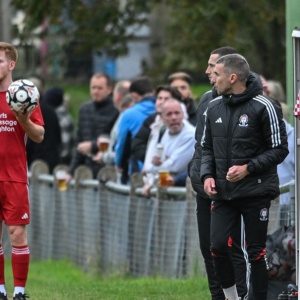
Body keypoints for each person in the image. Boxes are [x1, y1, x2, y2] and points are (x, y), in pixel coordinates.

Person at [200, 54, 288, 300]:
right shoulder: (213, 106)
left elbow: (280, 149)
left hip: (256, 192)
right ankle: (231, 297)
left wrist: (248, 168)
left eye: (216, 74)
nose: (212, 78)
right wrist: (207, 175)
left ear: (232, 77)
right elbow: (206, 148)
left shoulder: (265, 106)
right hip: (224, 193)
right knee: (217, 247)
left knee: (256, 252)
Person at [188, 46, 250, 300]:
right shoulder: (206, 100)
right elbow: (201, 144)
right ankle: (218, 297)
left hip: (231, 190)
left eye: (212, 67)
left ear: (229, 71)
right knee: (209, 248)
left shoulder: (250, 102)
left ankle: (242, 295)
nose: (208, 72)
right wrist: (200, 175)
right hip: (205, 185)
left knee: (233, 248)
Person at [0, 42, 45, 300]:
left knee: (16, 233)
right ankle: (0, 290)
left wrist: (23, 118)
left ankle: (19, 292)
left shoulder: (26, 96)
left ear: (11, 64)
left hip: (14, 176)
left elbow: (39, 135)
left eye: (0, 61)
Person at [67, 73, 119, 179]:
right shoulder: (85, 110)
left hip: (109, 170)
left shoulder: (116, 110)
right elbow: (79, 143)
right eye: (93, 88)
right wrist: (70, 172)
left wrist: (93, 145)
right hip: (88, 170)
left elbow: (117, 140)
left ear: (109, 89)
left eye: (100, 88)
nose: (96, 92)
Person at [142, 98, 195, 195]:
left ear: (183, 114)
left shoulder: (191, 135)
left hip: (183, 193)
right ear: (162, 118)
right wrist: (156, 163)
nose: (173, 117)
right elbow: (158, 160)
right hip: (165, 191)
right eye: (169, 114)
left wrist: (151, 168)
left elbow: (173, 166)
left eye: (177, 113)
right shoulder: (164, 132)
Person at [131, 85, 184, 172]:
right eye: (159, 98)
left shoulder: (180, 124)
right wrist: (151, 159)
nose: (161, 102)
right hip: (150, 173)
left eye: (166, 99)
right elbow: (137, 143)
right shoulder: (152, 120)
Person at [114, 76, 156, 183]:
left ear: (134, 95)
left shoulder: (129, 114)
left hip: (138, 168)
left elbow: (122, 144)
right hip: (160, 166)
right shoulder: (163, 109)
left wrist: (119, 164)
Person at [26, 76, 62, 174]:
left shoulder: (30, 111)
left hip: (35, 164)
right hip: (52, 161)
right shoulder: (50, 110)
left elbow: (29, 140)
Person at [44, 86, 75, 165]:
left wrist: (60, 158)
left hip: (61, 162)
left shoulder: (62, 119)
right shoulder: (59, 115)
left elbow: (65, 145)